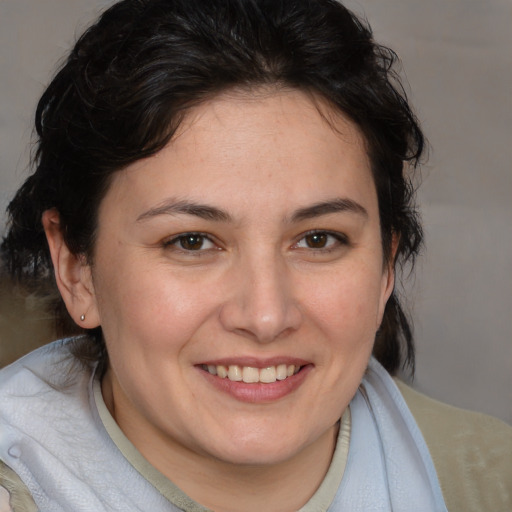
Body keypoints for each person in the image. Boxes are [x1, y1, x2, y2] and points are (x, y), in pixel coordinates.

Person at [0, 0, 510, 510]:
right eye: (192, 241)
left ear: (384, 267)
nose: (266, 316)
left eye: (318, 239)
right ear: (76, 270)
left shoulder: (491, 482)